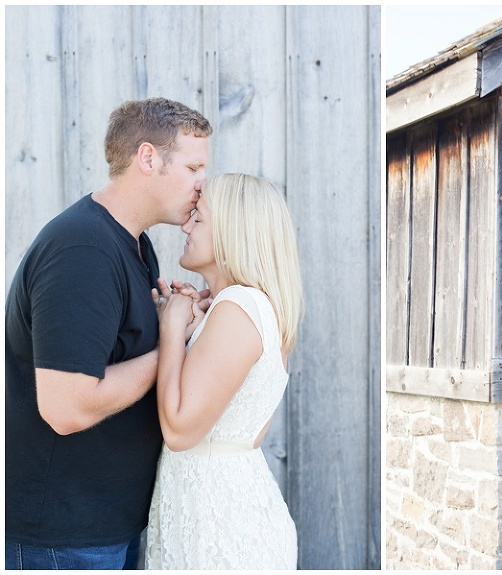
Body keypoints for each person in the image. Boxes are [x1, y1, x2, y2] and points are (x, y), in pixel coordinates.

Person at [5, 97, 212, 570]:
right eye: (194, 167)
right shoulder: (83, 250)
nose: (203, 187)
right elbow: (66, 406)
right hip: (62, 539)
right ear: (147, 158)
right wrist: (171, 345)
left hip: (107, 527)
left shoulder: (136, 248)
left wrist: (175, 317)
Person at [144, 173, 304, 569]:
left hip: (220, 529)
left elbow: (180, 431)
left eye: (198, 218)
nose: (185, 225)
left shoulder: (237, 308)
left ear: (233, 232)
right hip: (226, 510)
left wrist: (170, 329)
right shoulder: (247, 308)